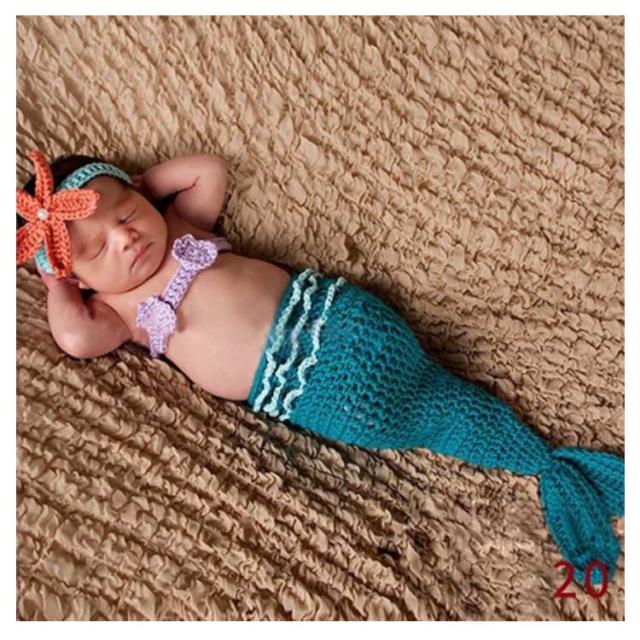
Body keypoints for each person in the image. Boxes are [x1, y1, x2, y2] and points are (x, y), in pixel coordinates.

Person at [17, 149, 624, 589]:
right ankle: (547, 465)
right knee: (430, 418)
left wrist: (141, 187)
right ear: (77, 277)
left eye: (126, 214)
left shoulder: (180, 228)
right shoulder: (117, 311)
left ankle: (551, 466)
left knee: (435, 392)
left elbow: (207, 170)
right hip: (310, 392)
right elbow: (73, 337)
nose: (125, 239)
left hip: (339, 317)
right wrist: (54, 275)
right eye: (95, 249)